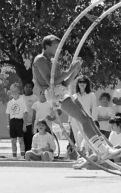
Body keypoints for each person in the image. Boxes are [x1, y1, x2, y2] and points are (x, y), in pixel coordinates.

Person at [32, 34, 110, 162]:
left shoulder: (52, 62)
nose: (58, 50)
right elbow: (51, 82)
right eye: (56, 46)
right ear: (46, 46)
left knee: (88, 118)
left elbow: (65, 83)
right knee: (83, 119)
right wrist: (70, 70)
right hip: (54, 93)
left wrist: (75, 71)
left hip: (60, 91)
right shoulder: (40, 60)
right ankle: (101, 150)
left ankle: (104, 148)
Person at [70, 76, 98, 153]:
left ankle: (87, 154)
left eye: (84, 82)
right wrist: (69, 120)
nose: (82, 84)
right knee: (77, 140)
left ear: (87, 84)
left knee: (86, 139)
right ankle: (80, 156)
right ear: (77, 84)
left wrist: (94, 121)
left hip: (86, 120)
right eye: (80, 82)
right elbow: (71, 109)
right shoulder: (74, 96)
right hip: (75, 121)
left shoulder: (91, 95)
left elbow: (94, 108)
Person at [5, 83, 28, 158]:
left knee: (21, 140)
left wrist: (24, 124)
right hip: (12, 122)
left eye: (15, 91)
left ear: (18, 91)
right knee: (13, 141)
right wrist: (9, 124)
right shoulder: (9, 103)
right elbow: (8, 114)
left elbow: (25, 112)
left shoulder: (22, 100)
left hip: (20, 121)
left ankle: (22, 156)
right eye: (12, 91)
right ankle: (14, 156)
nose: (13, 93)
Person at [21, 81, 38, 153]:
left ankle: (30, 156)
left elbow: (37, 111)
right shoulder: (20, 98)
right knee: (22, 141)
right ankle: (23, 156)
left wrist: (34, 125)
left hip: (31, 123)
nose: (28, 88)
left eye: (30, 87)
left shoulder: (35, 98)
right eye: (26, 87)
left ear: (32, 89)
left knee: (30, 141)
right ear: (24, 88)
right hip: (22, 123)